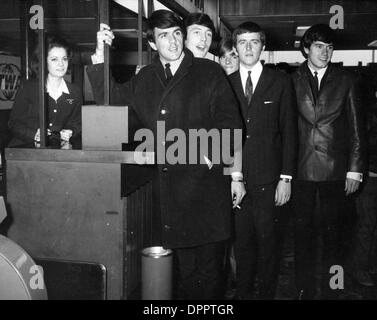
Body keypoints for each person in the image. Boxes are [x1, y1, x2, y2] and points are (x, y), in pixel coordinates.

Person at [86, 10, 245, 299]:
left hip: (205, 192)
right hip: (169, 197)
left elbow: (231, 124)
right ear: (151, 44)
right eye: (163, 36)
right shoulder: (145, 77)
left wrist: (206, 155)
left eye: (176, 34)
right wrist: (100, 56)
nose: (172, 42)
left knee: (208, 275)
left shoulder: (209, 72)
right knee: (182, 274)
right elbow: (113, 105)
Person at [291, 24, 366, 299]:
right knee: (302, 235)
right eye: (319, 46)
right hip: (300, 170)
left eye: (330, 47)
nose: (325, 52)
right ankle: (303, 290)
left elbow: (358, 129)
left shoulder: (347, 80)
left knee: (335, 237)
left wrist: (355, 171)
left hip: (336, 172)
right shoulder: (290, 79)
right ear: (306, 49)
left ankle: (333, 290)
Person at [227, 22, 297, 299]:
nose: (247, 47)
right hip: (237, 182)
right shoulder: (226, 83)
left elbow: (290, 132)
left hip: (270, 181)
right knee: (242, 247)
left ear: (262, 47)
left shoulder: (280, 81)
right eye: (242, 42)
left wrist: (286, 178)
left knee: (269, 247)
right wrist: (233, 176)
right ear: (235, 47)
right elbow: (224, 134)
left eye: (254, 41)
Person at [8, 35, 82, 148]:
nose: (61, 64)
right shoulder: (27, 88)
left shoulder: (75, 92)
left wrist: (71, 131)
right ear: (43, 62)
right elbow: (14, 123)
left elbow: (77, 122)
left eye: (64, 58)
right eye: (54, 59)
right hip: (24, 149)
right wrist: (34, 134)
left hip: (58, 150)